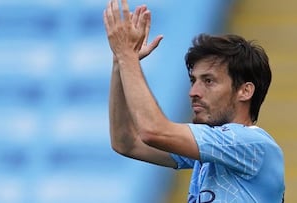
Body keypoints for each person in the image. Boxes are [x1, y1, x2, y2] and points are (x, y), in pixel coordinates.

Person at [103, 0, 285, 202]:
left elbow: (152, 130)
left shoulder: (251, 144)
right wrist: (119, 62)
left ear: (245, 91)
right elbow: (126, 143)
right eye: (193, 81)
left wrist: (127, 55)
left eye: (208, 81)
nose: (193, 92)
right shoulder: (216, 151)